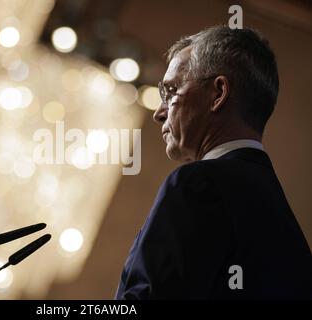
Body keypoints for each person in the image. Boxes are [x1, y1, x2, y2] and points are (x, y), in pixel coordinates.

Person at [115, 25, 312, 299]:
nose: (159, 113)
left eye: (171, 91)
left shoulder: (197, 185)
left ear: (218, 94)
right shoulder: (286, 227)